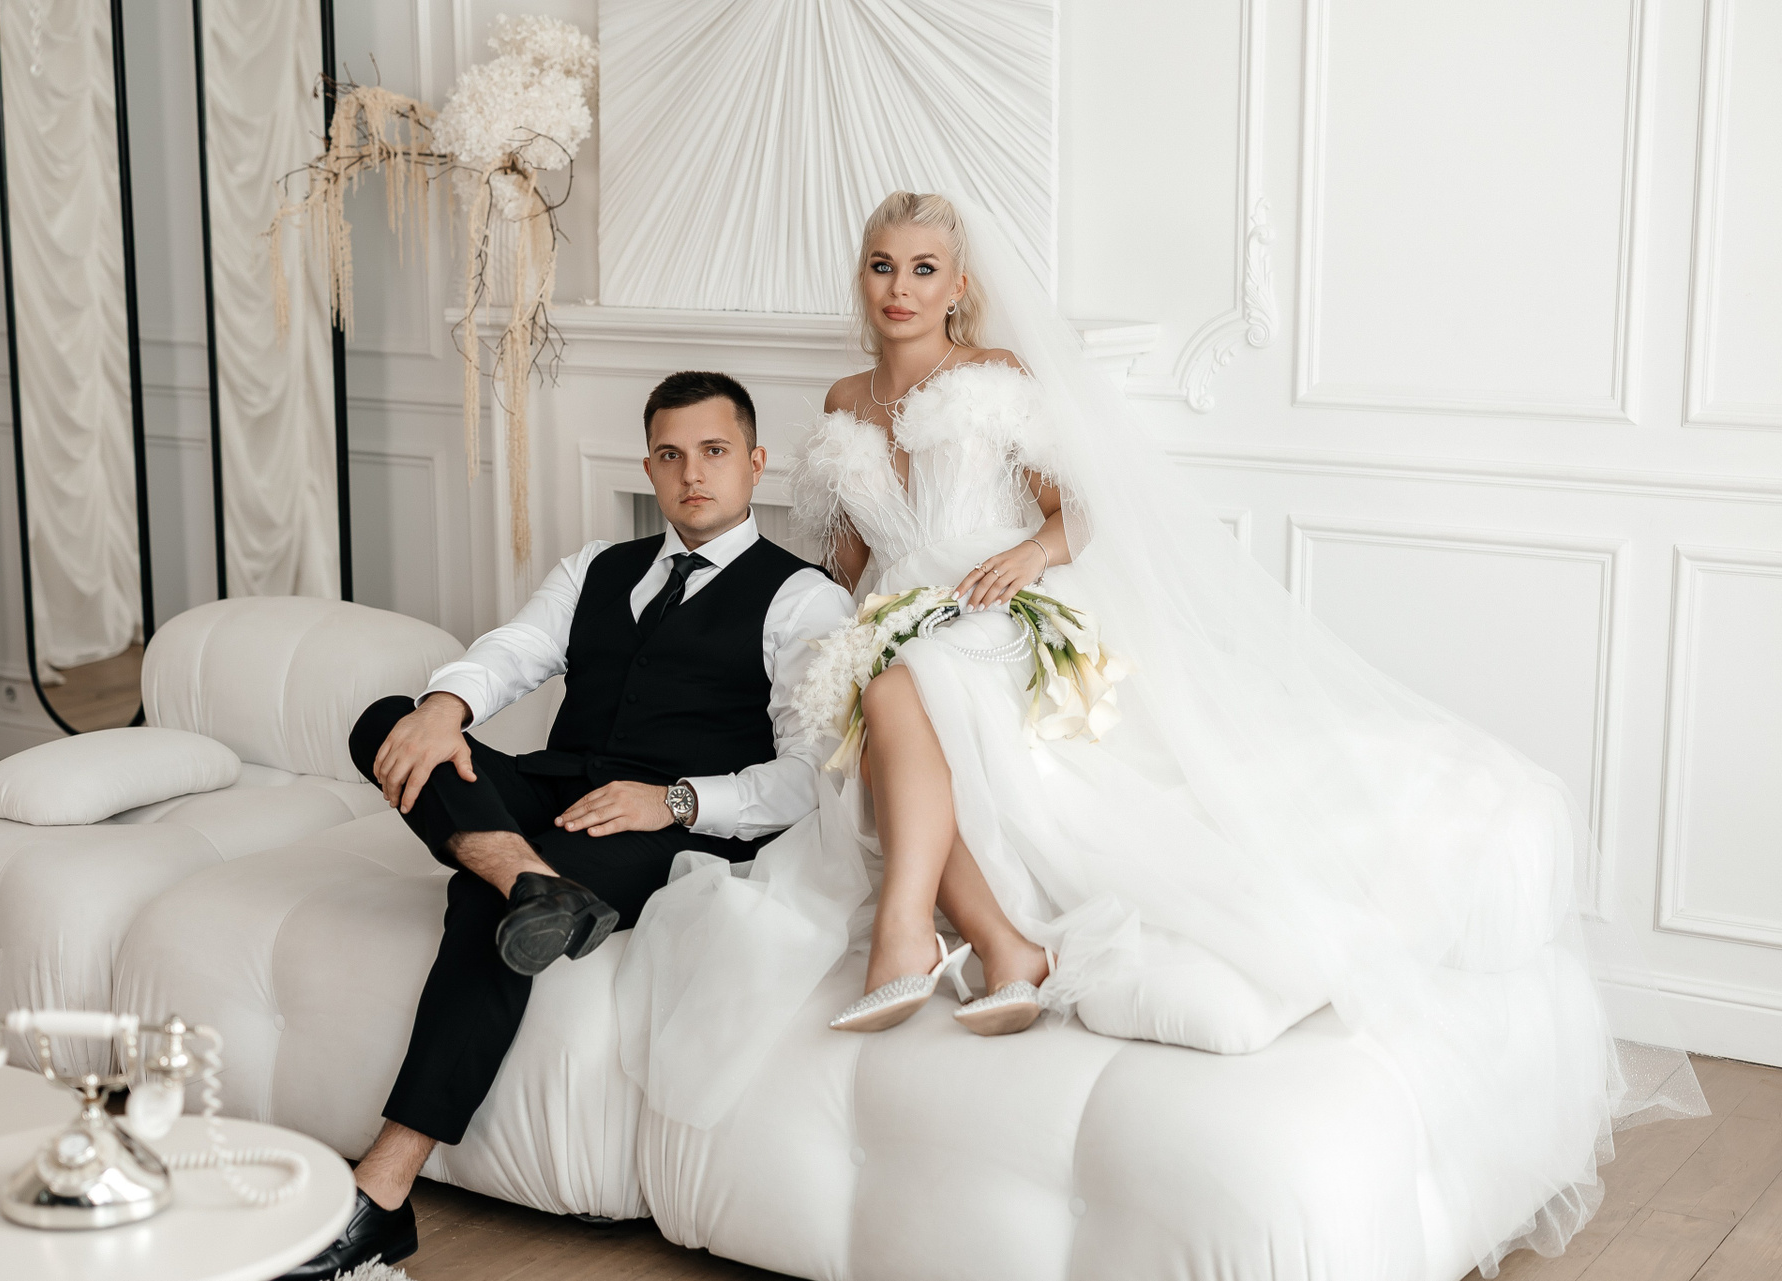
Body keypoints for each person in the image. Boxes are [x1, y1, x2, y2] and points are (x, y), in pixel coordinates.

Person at [614, 192, 1704, 1277]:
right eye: (883, 266)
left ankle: (913, 930)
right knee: (876, 686)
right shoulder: (843, 401)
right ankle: (1001, 945)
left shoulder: (994, 375)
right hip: (904, 624)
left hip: (999, 610)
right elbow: (847, 561)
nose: (900, 288)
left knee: (907, 682)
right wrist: (813, 637)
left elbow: (1081, 510)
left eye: (924, 268)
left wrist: (1028, 557)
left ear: (958, 285)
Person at [282, 370, 852, 1279]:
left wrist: (675, 800)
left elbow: (807, 775)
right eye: (670, 454)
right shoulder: (596, 566)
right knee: (392, 720)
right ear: (648, 466)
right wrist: (443, 709)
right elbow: (515, 651)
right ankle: (533, 882)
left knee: (483, 911)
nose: (692, 473)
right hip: (560, 787)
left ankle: (380, 1192)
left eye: (714, 452)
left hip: (670, 823)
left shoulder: (803, 599)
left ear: (755, 463)